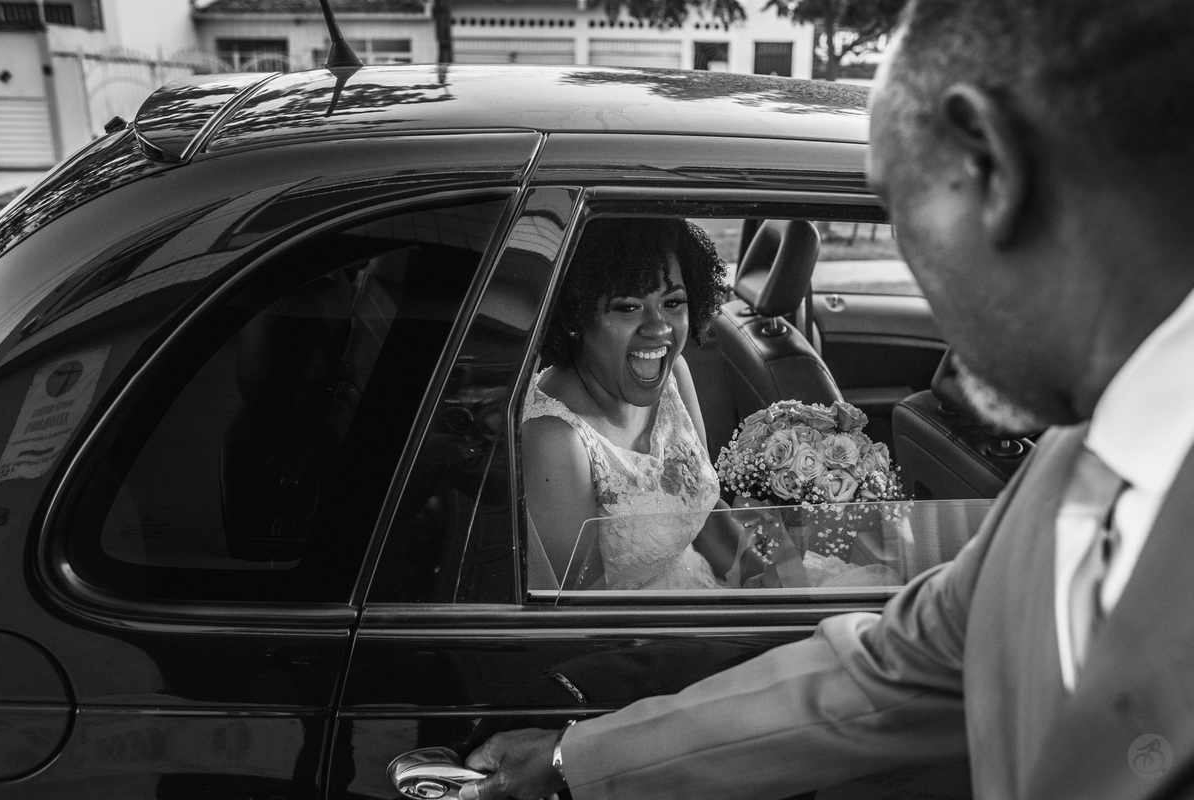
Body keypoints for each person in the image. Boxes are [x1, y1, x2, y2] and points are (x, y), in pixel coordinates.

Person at [458, 0, 1194, 798]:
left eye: (900, 213)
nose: (926, 288)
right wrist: (574, 761)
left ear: (992, 169)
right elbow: (877, 677)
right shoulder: (1064, 477)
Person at [521, 216, 736, 590]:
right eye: (628, 307)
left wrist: (774, 578)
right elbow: (583, 608)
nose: (659, 327)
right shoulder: (553, 439)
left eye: (672, 302)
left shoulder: (674, 376)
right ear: (575, 315)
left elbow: (705, 512)